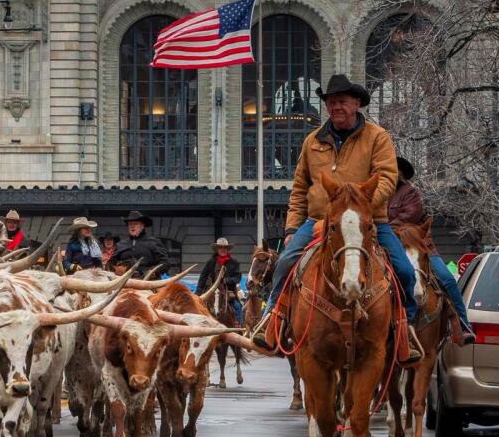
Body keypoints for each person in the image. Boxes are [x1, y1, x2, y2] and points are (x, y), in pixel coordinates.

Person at [250, 74, 422, 363]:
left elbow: (386, 179)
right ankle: (273, 320)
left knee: (405, 271)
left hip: (369, 221)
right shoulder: (312, 141)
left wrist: (358, 210)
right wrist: (291, 228)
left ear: (356, 104)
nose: (335, 107)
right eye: (331, 102)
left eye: (342, 101)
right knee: (286, 262)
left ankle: (404, 330)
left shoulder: (378, 137)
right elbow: (300, 189)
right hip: (319, 220)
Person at [388, 156, 475, 346]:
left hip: (416, 245)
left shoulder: (410, 193)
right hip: (384, 246)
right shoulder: (376, 192)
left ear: (399, 174)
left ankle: (462, 325)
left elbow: (409, 217)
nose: (388, 173)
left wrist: (382, 228)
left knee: (446, 278)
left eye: (392, 170)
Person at [196, 238, 243, 324]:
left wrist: (227, 280)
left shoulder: (234, 262)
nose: (223, 249)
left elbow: (238, 277)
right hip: (211, 291)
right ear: (217, 249)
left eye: (225, 247)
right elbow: (203, 277)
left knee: (237, 307)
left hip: (228, 291)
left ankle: (238, 326)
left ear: (227, 249)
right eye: (220, 247)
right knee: (198, 307)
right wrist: (198, 293)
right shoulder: (211, 262)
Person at [111, 210, 172, 276]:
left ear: (142, 226)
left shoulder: (154, 242)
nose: (132, 226)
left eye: (135, 223)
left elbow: (165, 262)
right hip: (124, 279)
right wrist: (116, 269)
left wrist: (152, 271)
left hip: (148, 279)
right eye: (130, 224)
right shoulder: (120, 245)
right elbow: (111, 263)